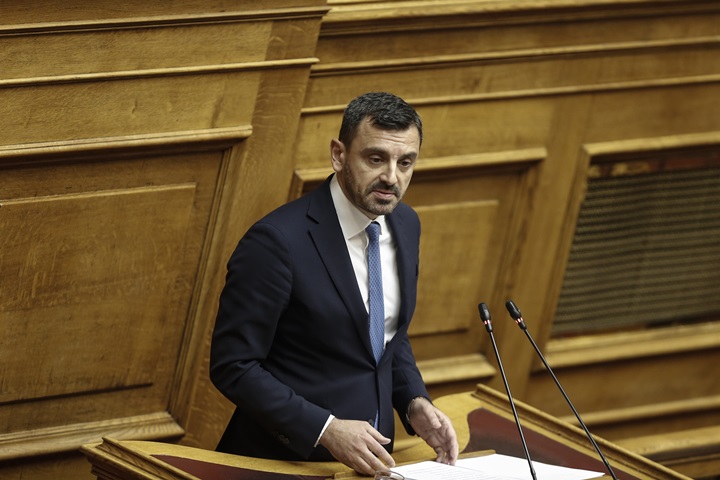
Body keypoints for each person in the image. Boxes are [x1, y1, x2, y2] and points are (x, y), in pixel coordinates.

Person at [210, 92, 459, 476]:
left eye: (405, 162)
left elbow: (386, 335)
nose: (391, 177)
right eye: (375, 159)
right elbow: (233, 366)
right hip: (283, 463)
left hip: (372, 465)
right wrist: (325, 429)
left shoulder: (406, 224)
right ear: (339, 155)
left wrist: (413, 401)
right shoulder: (278, 241)